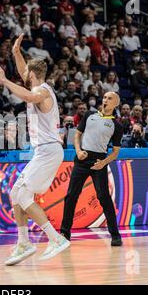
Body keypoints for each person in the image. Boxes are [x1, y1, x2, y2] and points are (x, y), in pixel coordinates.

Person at [0, 33, 70, 266]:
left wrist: (5, 81)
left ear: (32, 75)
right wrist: (16, 52)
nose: (22, 75)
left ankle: (56, 239)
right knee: (15, 194)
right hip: (42, 150)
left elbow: (26, 94)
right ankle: (24, 242)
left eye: (26, 73)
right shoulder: (37, 87)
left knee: (23, 194)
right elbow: (24, 80)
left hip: (48, 150)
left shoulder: (43, 91)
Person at [60, 91, 123, 246]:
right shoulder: (89, 115)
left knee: (104, 197)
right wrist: (78, 151)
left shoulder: (117, 125)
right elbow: (77, 135)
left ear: (116, 104)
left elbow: (115, 152)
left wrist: (103, 163)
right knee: (71, 196)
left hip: (99, 161)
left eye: (110, 98)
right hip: (82, 159)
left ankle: (115, 235)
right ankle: (64, 233)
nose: (106, 100)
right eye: (105, 97)